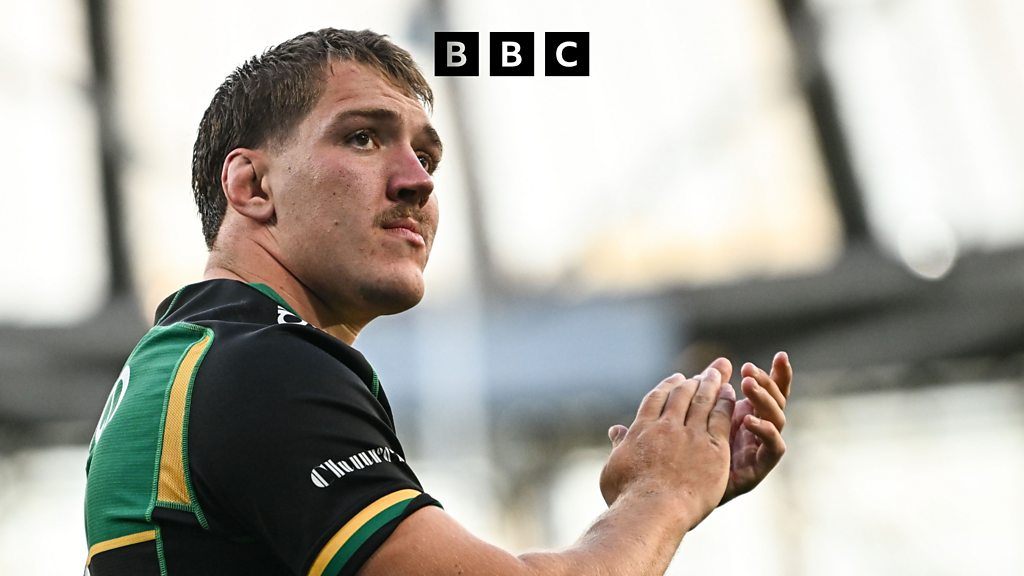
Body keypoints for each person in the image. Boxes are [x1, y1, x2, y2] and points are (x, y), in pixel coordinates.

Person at [83, 28, 792, 576]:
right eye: (363, 138)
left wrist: (649, 503)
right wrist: (662, 495)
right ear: (252, 187)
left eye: (427, 157)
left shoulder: (194, 359)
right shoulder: (263, 368)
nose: (417, 181)